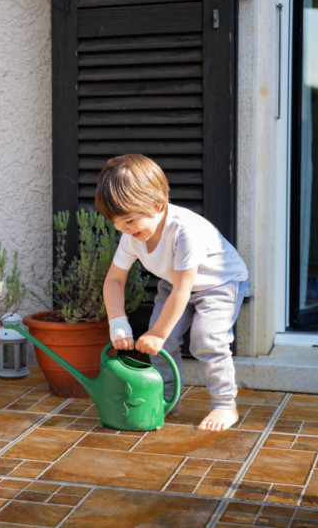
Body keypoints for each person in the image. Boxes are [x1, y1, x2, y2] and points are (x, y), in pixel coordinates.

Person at [95, 154, 249, 432]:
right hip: (175, 282)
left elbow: (183, 290)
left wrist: (156, 333)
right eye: (116, 223)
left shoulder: (184, 232)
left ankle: (226, 405)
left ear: (157, 205)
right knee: (164, 343)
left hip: (219, 283)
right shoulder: (131, 235)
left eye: (128, 221)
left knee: (207, 340)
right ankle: (169, 398)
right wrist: (117, 322)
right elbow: (114, 280)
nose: (122, 229)